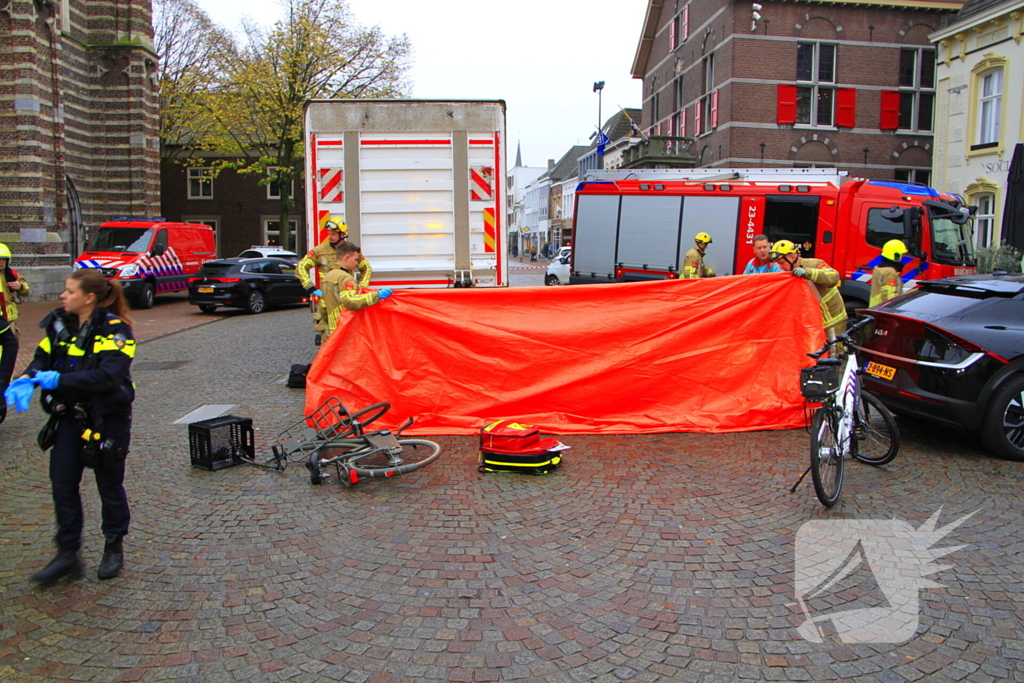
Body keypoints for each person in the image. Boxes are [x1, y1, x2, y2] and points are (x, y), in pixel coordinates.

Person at [4, 269, 136, 584]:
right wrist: (27, 377)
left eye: (69, 291)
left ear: (88, 297)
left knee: (109, 485)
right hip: (69, 416)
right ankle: (67, 555)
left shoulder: (116, 330)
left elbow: (109, 376)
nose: (63, 296)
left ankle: (113, 545)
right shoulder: (60, 324)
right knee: (62, 483)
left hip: (106, 418)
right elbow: (42, 358)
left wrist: (58, 379)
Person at [296, 220, 372, 343]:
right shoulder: (320, 251)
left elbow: (366, 268)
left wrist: (361, 288)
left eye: (333, 234)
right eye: (329, 233)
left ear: (342, 234)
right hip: (328, 299)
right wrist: (311, 288)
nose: (329, 237)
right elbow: (301, 267)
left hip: (346, 298)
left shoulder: (351, 250)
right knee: (329, 337)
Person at [770, 239, 847, 338]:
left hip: (833, 322)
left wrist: (807, 273)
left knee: (835, 352)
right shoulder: (789, 275)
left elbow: (833, 277)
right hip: (814, 326)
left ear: (792, 257)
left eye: (782, 263)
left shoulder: (815, 264)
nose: (781, 267)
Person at [320, 242, 391, 340]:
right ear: (347, 257)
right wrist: (376, 295)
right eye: (355, 260)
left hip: (331, 334)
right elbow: (350, 301)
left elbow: (323, 308)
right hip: (344, 331)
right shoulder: (345, 278)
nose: (357, 264)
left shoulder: (328, 276)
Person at [1, 242, 30, 423]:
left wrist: (19, 288)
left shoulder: (12, 274)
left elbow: (26, 289)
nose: (1, 263)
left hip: (9, 321)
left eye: (4, 260)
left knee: (9, 355)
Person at [869, 239, 907, 307]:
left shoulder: (879, 268)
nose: (902, 257)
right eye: (901, 255)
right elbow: (889, 296)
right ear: (896, 256)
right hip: (883, 310)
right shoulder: (890, 272)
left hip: (875, 307)